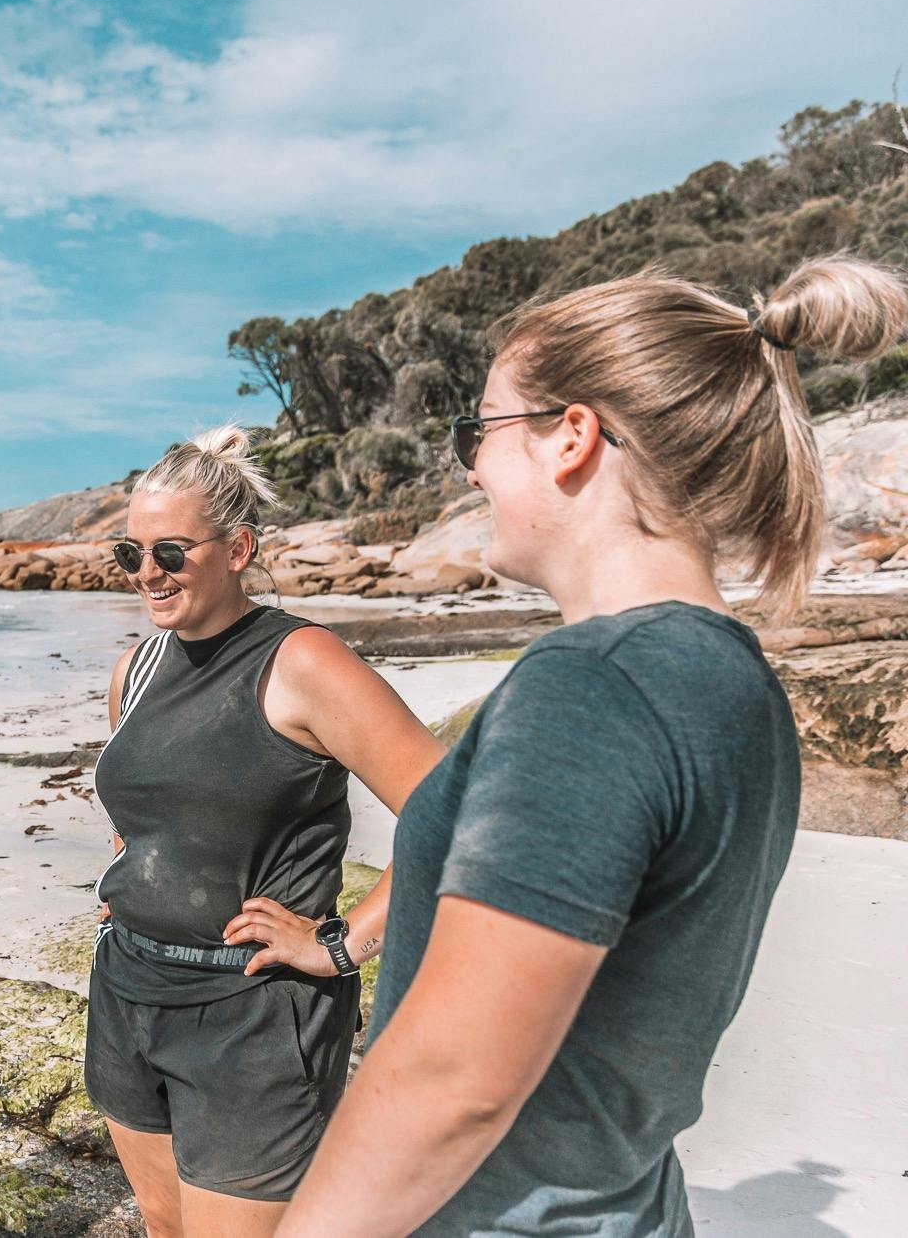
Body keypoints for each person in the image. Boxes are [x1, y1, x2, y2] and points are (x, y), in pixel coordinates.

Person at [277, 256, 908, 1236]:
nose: (470, 467)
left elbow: (453, 1082)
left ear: (569, 437)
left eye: (474, 433)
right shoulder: (730, 682)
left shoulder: (594, 686)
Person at [87, 425, 447, 1238]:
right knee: (164, 1227)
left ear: (238, 547)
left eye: (171, 552)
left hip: (252, 1017)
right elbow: (139, 811)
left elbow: (452, 808)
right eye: (129, 553)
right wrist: (130, 879)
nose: (148, 573)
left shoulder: (303, 661)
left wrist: (342, 941)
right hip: (128, 995)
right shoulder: (136, 669)